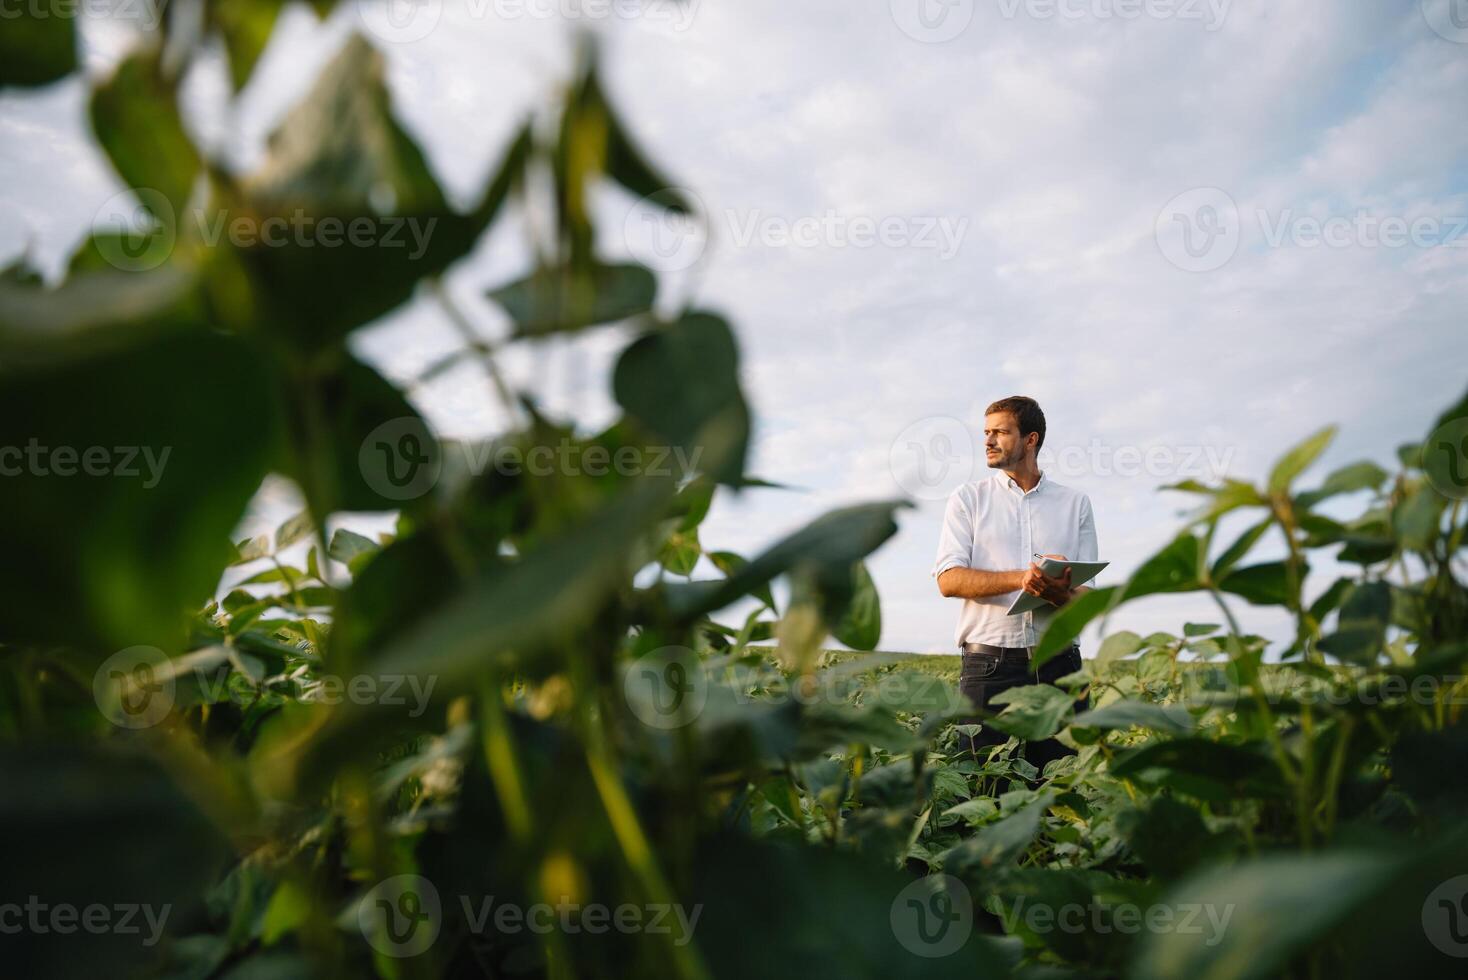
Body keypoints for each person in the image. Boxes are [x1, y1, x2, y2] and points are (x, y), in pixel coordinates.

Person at [932, 395, 1098, 771]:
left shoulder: (1076, 504)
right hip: (989, 666)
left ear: (1030, 439)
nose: (988, 441)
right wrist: (1023, 578)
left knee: (1060, 791)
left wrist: (1061, 594)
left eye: (1000, 432)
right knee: (982, 786)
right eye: (986, 433)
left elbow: (1088, 596)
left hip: (1061, 667)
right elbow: (948, 578)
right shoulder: (967, 499)